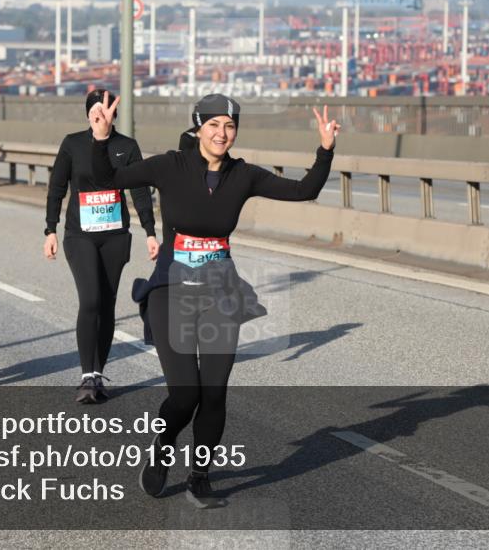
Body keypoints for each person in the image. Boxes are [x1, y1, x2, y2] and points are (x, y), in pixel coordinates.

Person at [91, 93, 339, 508]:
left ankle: (200, 474)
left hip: (220, 290)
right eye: (213, 125)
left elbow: (303, 190)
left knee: (215, 392)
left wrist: (325, 150)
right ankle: (164, 443)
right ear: (198, 127)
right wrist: (100, 140)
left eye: (229, 126)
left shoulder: (244, 175)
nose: (222, 134)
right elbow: (108, 179)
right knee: (185, 395)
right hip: (171, 288)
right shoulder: (170, 165)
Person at [45, 89, 159, 404]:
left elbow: (139, 190)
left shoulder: (127, 147)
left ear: (113, 114)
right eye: (94, 108)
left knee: (107, 304)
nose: (100, 113)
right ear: (87, 114)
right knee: (91, 299)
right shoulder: (72, 143)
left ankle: (97, 373)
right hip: (79, 234)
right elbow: (57, 186)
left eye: (105, 108)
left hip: (115, 236)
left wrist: (150, 232)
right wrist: (49, 229)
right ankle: (85, 374)